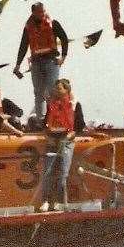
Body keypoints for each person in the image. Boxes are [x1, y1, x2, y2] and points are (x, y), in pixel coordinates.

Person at [14, 2, 70, 119]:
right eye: (39, 12)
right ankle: (41, 120)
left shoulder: (53, 23)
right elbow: (23, 46)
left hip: (51, 61)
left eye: (43, 11)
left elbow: (64, 38)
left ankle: (56, 118)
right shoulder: (28, 27)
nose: (42, 14)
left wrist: (63, 57)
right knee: (38, 93)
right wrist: (18, 64)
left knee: (53, 91)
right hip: (36, 63)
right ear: (33, 13)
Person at [38, 78, 87, 211]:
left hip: (67, 142)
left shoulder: (75, 105)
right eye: (55, 88)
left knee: (63, 174)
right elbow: (45, 125)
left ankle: (60, 202)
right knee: (48, 172)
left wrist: (71, 135)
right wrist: (48, 137)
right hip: (52, 141)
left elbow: (79, 126)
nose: (56, 91)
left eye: (59, 88)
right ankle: (46, 200)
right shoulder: (51, 104)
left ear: (66, 90)